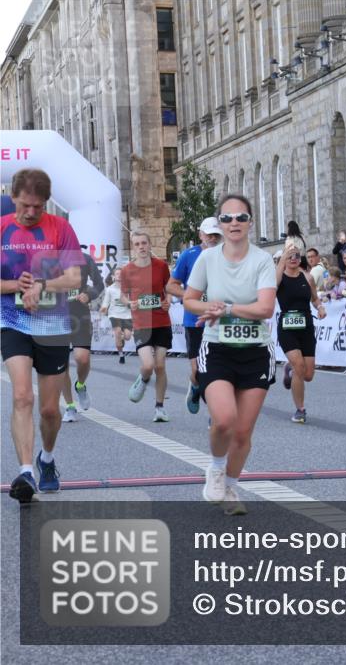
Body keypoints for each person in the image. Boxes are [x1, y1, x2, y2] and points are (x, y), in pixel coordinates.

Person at [184, 193, 277, 515]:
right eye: (227, 218)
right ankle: (215, 467)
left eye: (240, 217)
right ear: (220, 224)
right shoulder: (208, 259)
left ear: (250, 222)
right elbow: (189, 300)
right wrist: (208, 307)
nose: (234, 223)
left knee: (242, 431)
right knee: (224, 420)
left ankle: (232, 488)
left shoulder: (262, 259)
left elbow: (265, 309)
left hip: (256, 351)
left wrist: (225, 308)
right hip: (217, 347)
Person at [1, 168, 85, 502]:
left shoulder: (61, 228)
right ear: (13, 198)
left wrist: (42, 284)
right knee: (22, 396)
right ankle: (25, 472)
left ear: (46, 203)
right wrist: (14, 286)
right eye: (25, 205)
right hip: (12, 321)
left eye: (38, 206)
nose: (31, 212)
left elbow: (75, 277)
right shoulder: (3, 227)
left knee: (50, 411)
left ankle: (46, 459)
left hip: (53, 326)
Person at [166, 217, 223, 415]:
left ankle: (214, 415)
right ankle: (195, 385)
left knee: (216, 371)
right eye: (209, 234)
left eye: (217, 235)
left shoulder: (228, 256)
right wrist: (191, 297)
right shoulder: (189, 255)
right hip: (194, 321)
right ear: (201, 235)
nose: (213, 239)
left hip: (220, 321)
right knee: (199, 371)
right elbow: (171, 285)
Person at [121, 231, 173, 422]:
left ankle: (159, 407)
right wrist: (129, 303)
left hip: (161, 321)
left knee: (160, 366)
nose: (141, 247)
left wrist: (168, 300)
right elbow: (123, 295)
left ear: (150, 245)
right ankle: (143, 379)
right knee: (148, 365)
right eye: (137, 244)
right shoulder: (127, 270)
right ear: (134, 247)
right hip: (142, 324)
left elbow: (169, 289)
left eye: (144, 243)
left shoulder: (161, 266)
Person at [276, 244, 326, 423]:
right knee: (299, 366)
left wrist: (320, 307)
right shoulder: (279, 277)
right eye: (290, 256)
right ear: (284, 259)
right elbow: (271, 287)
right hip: (287, 329)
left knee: (308, 375)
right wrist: (281, 260)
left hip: (306, 327)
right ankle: (300, 410)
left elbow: (314, 298)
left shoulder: (307, 277)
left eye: (296, 256)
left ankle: (289, 370)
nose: (293, 259)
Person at [60, 250, 105, 422]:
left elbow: (99, 284)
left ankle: (80, 385)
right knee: (61, 364)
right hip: (57, 316)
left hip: (80, 314)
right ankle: (70, 407)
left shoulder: (85, 258)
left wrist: (89, 294)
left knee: (83, 358)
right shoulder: (49, 259)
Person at [100, 267, 133, 363]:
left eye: (121, 273)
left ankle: (121, 338)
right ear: (113, 276)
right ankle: (121, 355)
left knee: (127, 336)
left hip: (127, 315)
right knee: (118, 331)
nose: (119, 275)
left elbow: (132, 300)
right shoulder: (110, 289)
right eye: (117, 274)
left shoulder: (128, 288)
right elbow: (106, 301)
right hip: (114, 314)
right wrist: (104, 307)